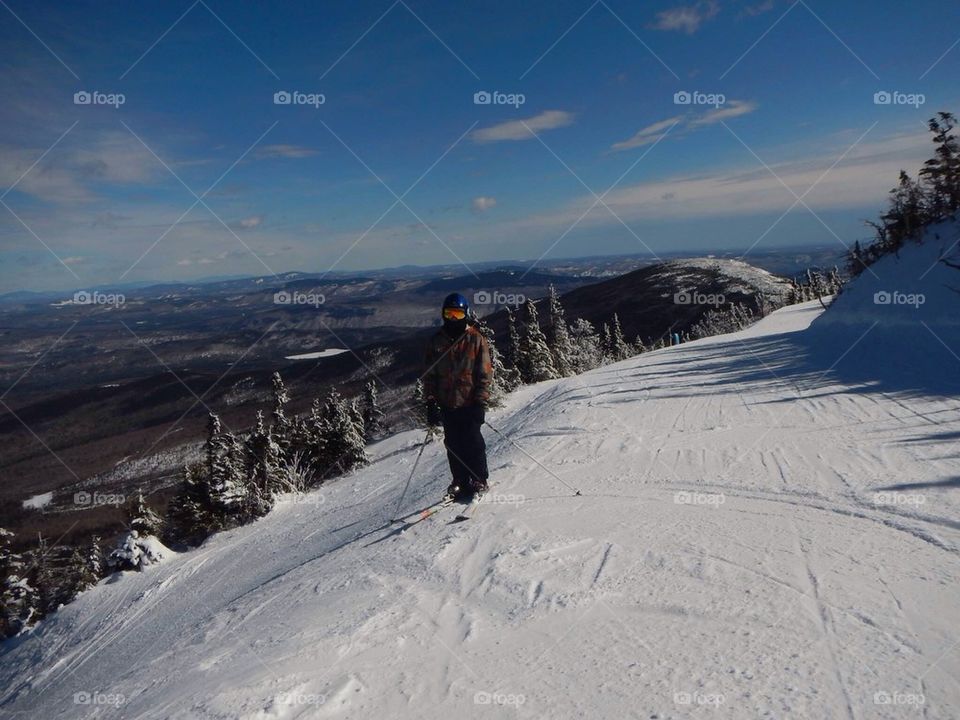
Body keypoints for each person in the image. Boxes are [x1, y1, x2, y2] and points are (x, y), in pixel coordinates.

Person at [422, 293, 493, 501]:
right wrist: (431, 402)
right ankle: (460, 480)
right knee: (453, 443)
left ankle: (479, 478)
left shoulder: (475, 339)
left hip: (470, 402)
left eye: (457, 314)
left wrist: (480, 401)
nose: (453, 318)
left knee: (473, 441)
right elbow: (429, 375)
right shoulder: (435, 342)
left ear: (466, 314)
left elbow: (485, 373)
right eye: (449, 314)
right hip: (447, 403)